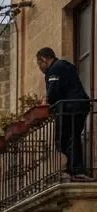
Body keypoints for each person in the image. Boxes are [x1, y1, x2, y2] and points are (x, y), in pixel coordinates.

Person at [37, 46, 92, 180]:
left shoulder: (54, 69)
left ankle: (70, 170)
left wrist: (46, 103)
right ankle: (76, 170)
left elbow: (54, 91)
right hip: (80, 105)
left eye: (39, 64)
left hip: (69, 108)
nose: (40, 68)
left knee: (63, 138)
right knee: (73, 136)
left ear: (44, 59)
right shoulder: (65, 65)